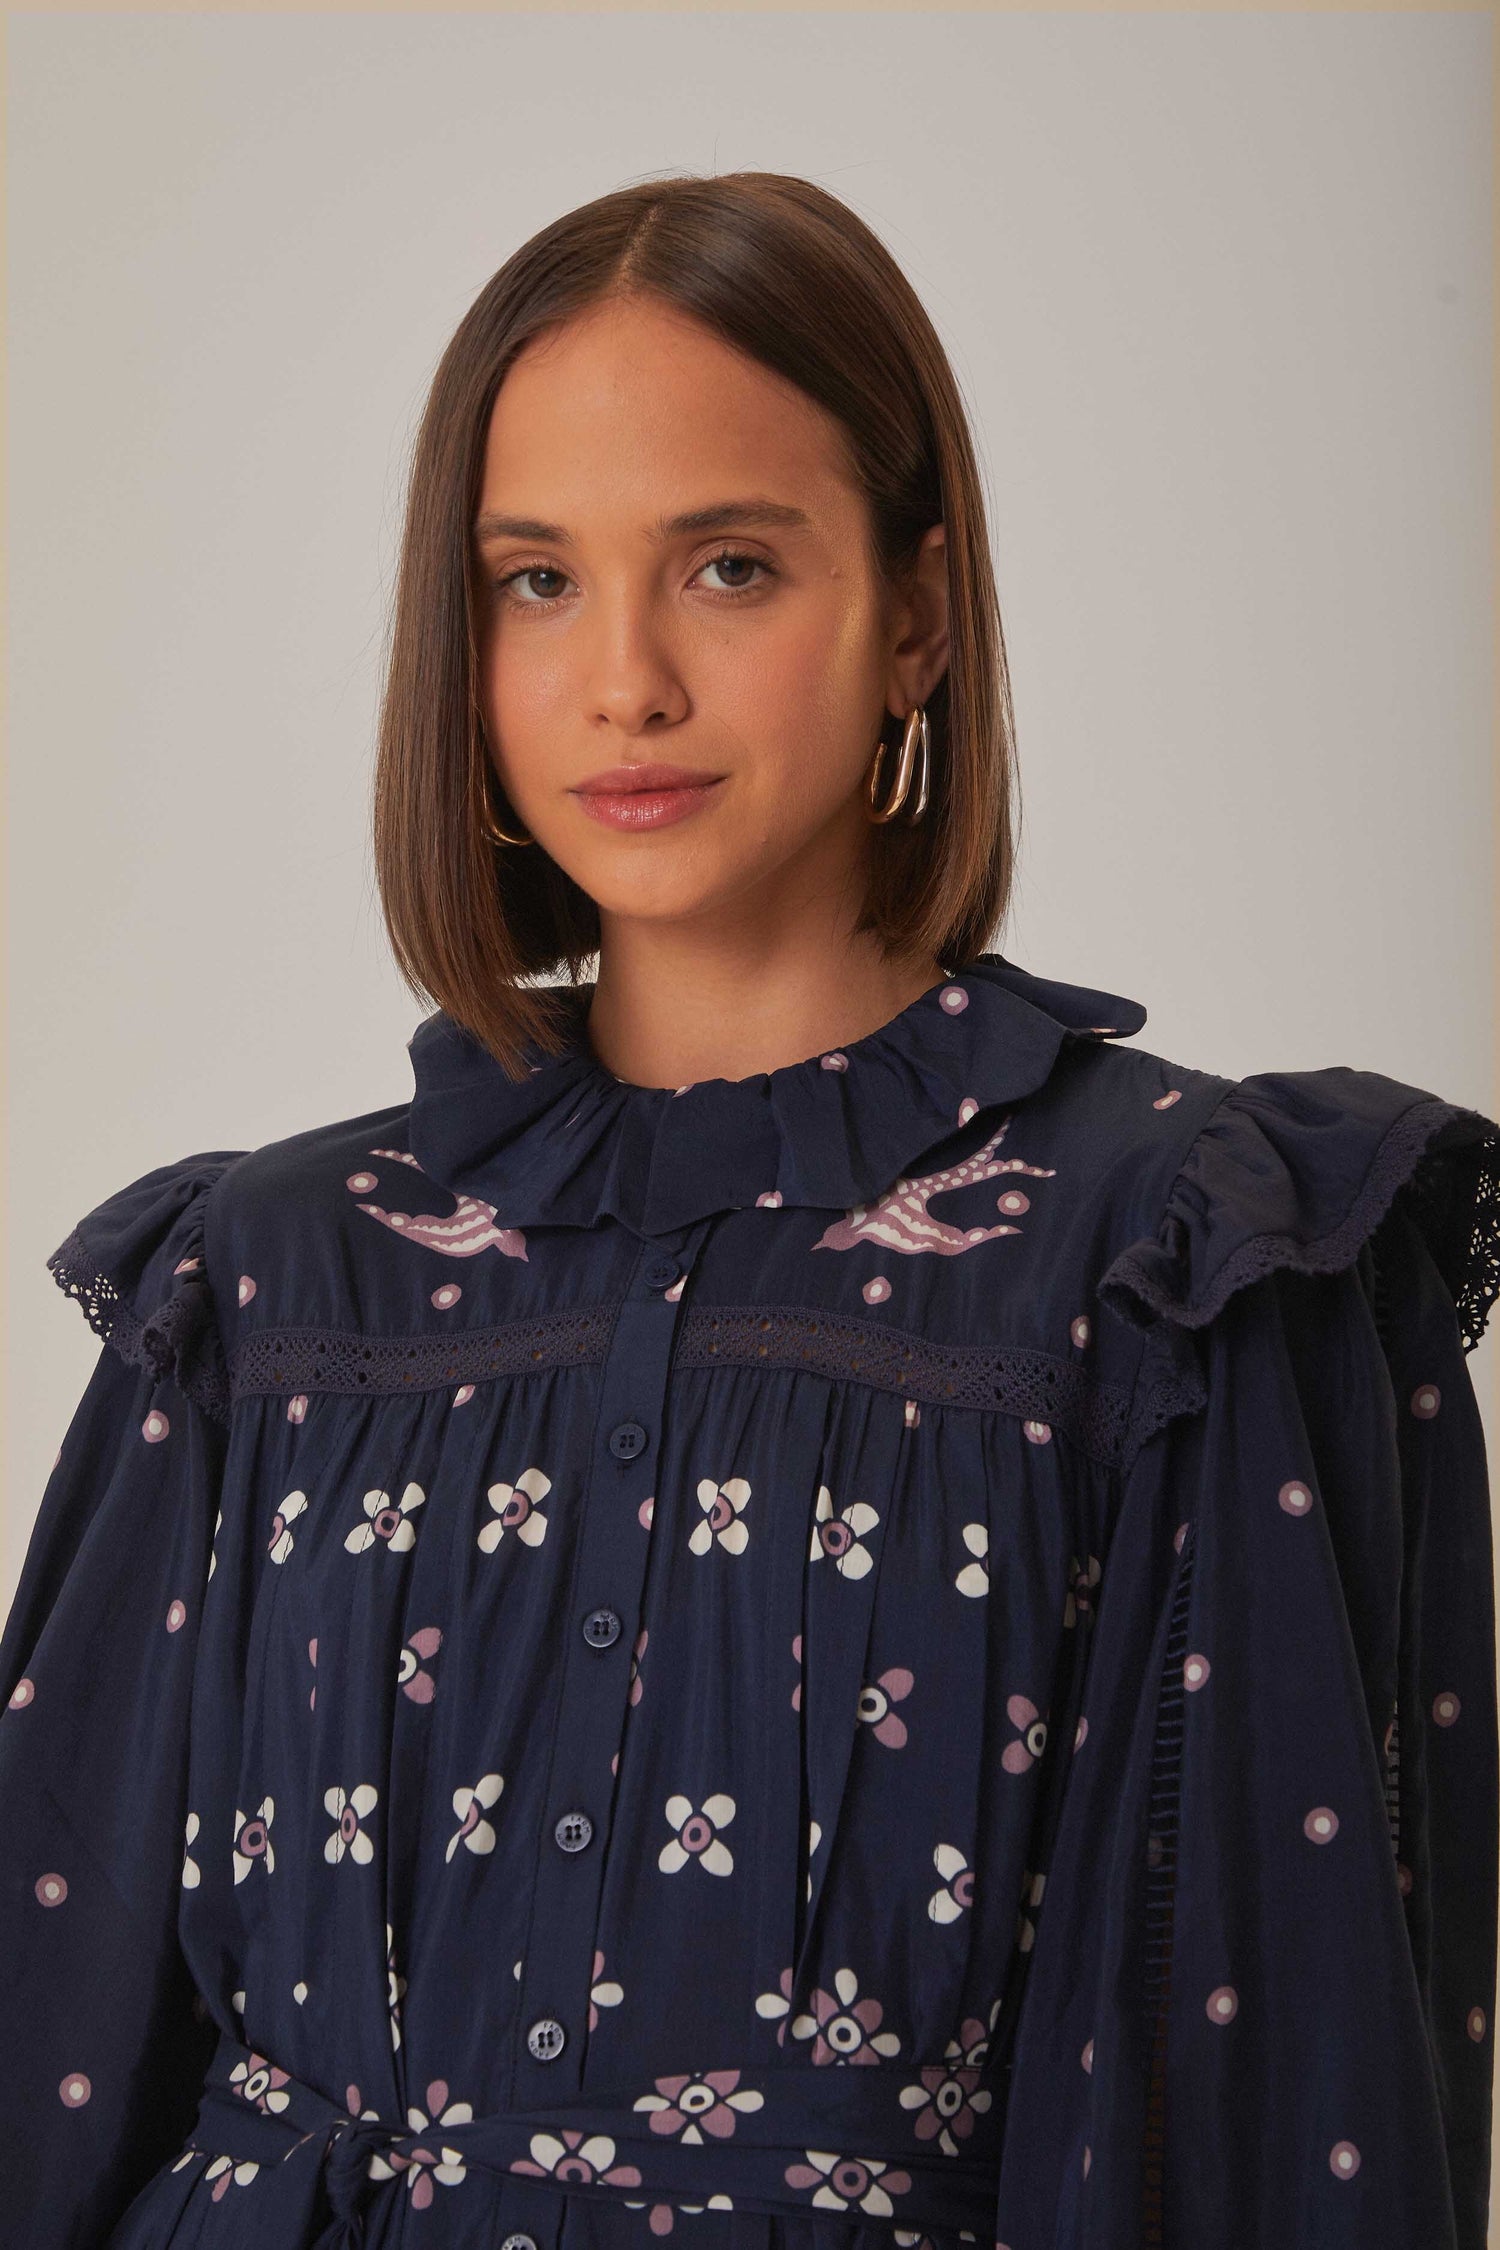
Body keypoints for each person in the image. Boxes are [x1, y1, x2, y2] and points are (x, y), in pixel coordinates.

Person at [2, 170, 1496, 2250]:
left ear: (917, 615)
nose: (624, 680)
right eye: (537, 580)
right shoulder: (262, 1277)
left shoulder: (1176, 1267)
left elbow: (1259, 2101)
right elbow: (47, 2050)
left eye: (727, 565)